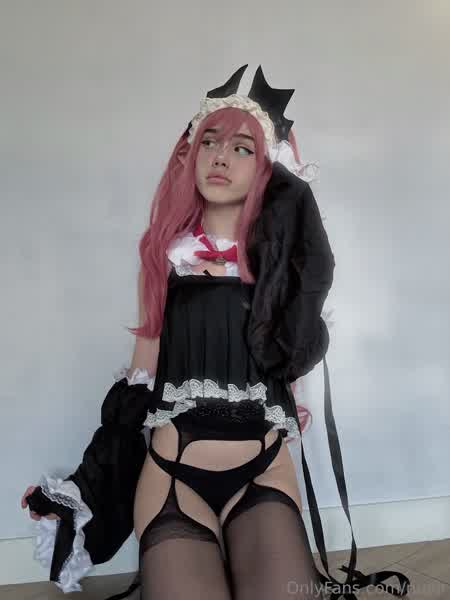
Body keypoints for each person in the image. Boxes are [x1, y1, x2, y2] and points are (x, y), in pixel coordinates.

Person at [21, 65, 410, 599]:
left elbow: (292, 362)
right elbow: (140, 381)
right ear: (190, 154)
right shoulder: (164, 259)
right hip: (173, 476)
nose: (221, 157)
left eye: (242, 147)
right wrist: (86, 485)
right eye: (209, 141)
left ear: (271, 167)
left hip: (264, 472)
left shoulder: (285, 271)